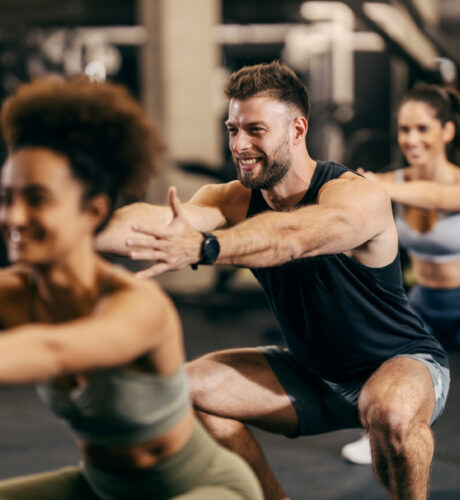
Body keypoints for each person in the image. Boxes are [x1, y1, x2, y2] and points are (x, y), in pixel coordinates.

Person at [96, 61, 450, 500]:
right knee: (181, 391)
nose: (239, 145)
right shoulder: (231, 198)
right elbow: (153, 220)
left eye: (255, 130)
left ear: (298, 129)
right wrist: (69, 228)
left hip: (399, 362)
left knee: (391, 413)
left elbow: (295, 236)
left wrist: (209, 246)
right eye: (232, 130)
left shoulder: (353, 193)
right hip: (310, 372)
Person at [0, 76, 263, 500]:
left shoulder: (137, 306)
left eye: (36, 199)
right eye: (6, 198)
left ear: (94, 211)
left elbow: (53, 349)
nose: (13, 217)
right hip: (102, 487)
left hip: (200, 488)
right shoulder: (13, 293)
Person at [342, 83, 460, 465]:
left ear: (447, 131)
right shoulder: (394, 182)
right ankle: (376, 436)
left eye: (422, 128)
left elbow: (440, 198)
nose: (411, 138)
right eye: (404, 129)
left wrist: (377, 184)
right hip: (425, 299)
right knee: (384, 361)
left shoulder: (444, 183)